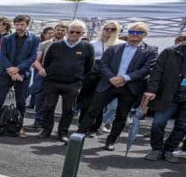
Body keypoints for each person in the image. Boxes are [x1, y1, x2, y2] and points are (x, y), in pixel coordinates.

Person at [79, 22, 158, 150]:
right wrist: (112, 78)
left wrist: (124, 78)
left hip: (129, 87)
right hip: (108, 84)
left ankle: (110, 141)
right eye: (132, 32)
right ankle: (79, 136)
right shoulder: (114, 48)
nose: (134, 35)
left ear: (145, 35)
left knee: (121, 116)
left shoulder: (151, 50)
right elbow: (103, 64)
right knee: (92, 111)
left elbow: (147, 69)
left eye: (139, 32)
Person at [36, 21, 94, 143]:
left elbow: (89, 66)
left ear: (83, 33)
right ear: (67, 32)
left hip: (73, 84)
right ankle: (46, 130)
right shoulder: (55, 45)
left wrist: (78, 78)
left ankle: (62, 133)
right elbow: (47, 62)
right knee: (48, 107)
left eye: (78, 32)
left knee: (68, 110)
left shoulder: (88, 47)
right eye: (72, 31)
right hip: (52, 81)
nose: (74, 34)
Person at [0, 15, 39, 136]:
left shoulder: (34, 38)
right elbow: (2, 56)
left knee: (21, 101)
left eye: (22, 24)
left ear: (27, 25)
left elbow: (33, 57)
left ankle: (20, 126)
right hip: (5, 73)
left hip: (22, 74)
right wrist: (11, 70)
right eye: (17, 24)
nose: (19, 27)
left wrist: (17, 69)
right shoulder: (6, 38)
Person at [142, 40, 186, 163]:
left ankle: (169, 150)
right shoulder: (170, 51)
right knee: (158, 123)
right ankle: (156, 149)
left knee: (182, 126)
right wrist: (151, 90)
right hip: (168, 94)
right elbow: (157, 71)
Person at [78, 20, 123, 130]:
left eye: (112, 29)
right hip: (92, 76)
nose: (109, 31)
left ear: (117, 31)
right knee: (86, 102)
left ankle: (94, 128)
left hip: (109, 77)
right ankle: (82, 125)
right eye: (106, 28)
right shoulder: (93, 43)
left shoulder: (121, 45)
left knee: (99, 104)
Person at [28, 22, 67, 131]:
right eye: (58, 29)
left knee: (52, 101)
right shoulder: (44, 44)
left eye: (63, 30)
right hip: (43, 74)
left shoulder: (68, 45)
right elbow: (36, 60)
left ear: (66, 32)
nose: (60, 32)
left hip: (60, 77)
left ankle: (48, 125)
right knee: (39, 98)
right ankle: (38, 122)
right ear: (55, 30)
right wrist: (41, 69)